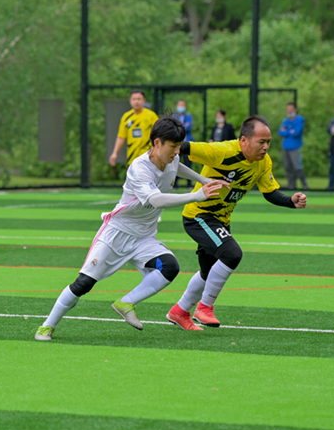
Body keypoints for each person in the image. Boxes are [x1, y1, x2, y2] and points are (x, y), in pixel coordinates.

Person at [35, 117, 226, 341]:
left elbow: (176, 167)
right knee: (84, 283)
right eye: (173, 146)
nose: (177, 151)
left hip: (144, 237)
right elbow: (156, 200)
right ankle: (47, 326)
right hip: (117, 234)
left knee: (170, 267)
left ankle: (126, 302)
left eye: (179, 146)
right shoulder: (139, 168)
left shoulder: (170, 159)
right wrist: (196, 195)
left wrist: (203, 179)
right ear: (157, 143)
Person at [169, 116, 307, 329]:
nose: (266, 147)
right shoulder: (223, 151)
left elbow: (269, 192)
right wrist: (160, 148)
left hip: (221, 220)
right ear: (244, 140)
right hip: (200, 216)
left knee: (208, 271)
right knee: (232, 254)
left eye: (268, 142)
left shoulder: (263, 162)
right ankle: (205, 308)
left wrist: (290, 201)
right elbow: (184, 146)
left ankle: (179, 311)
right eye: (261, 142)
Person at [109, 90, 159, 166]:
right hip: (132, 158)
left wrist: (156, 150)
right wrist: (115, 153)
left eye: (139, 99)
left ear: (144, 100)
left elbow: (159, 135)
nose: (136, 101)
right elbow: (121, 136)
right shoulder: (126, 117)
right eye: (134, 99)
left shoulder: (151, 116)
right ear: (130, 100)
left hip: (148, 157)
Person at [278, 103, 308, 191]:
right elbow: (281, 132)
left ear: (295, 110)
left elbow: (296, 133)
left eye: (291, 109)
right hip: (285, 146)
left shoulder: (300, 120)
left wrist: (287, 131)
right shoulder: (285, 121)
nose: (289, 111)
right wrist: (290, 131)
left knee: (297, 167)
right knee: (288, 167)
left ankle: (304, 185)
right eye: (288, 109)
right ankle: (291, 185)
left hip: (295, 147)